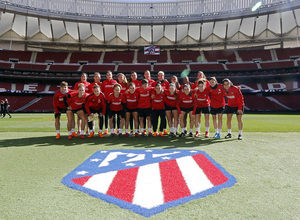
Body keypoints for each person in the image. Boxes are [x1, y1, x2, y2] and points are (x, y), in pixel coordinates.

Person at [102, 70, 118, 135]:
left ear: (112, 75)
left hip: (112, 101)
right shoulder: (104, 82)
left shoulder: (114, 82)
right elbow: (102, 91)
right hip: (106, 101)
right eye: (108, 75)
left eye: (110, 74)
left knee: (113, 116)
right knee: (106, 116)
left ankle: (113, 129)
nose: (109, 76)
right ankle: (106, 129)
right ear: (106, 76)